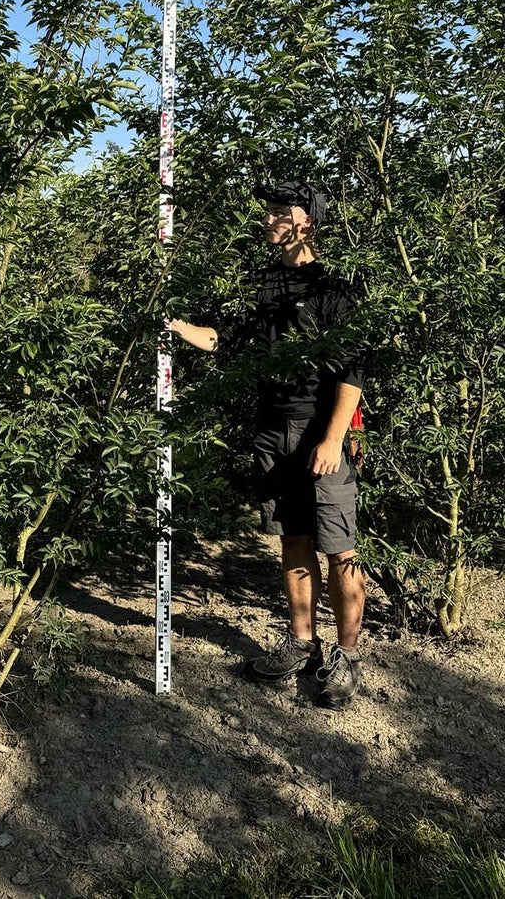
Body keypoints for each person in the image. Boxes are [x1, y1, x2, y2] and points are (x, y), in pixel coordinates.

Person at [169, 181, 367, 709]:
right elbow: (225, 339)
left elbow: (353, 371)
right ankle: (302, 643)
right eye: (269, 213)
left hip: (321, 434)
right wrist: (174, 324)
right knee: (294, 541)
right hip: (272, 433)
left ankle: (346, 658)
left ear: (308, 223)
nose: (269, 221)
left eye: (281, 213)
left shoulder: (334, 287)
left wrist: (332, 438)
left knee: (339, 549)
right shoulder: (262, 284)